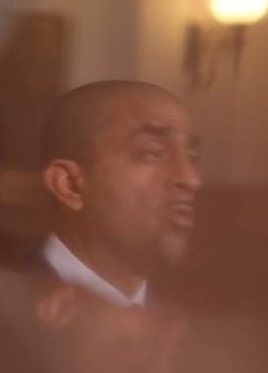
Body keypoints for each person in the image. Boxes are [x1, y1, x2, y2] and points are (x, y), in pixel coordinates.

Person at [37, 79, 202, 305]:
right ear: (69, 185)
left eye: (192, 158)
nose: (191, 178)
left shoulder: (190, 318)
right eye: (153, 152)